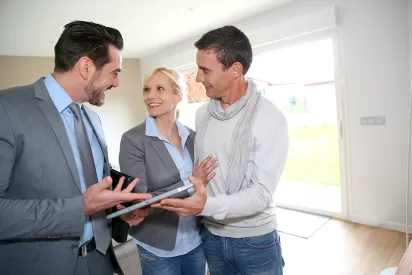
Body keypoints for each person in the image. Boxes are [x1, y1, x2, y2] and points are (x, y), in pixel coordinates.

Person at [0, 20, 152, 275]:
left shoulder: (93, 119)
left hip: (102, 259)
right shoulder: (7, 109)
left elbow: (92, 183)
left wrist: (120, 208)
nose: (116, 83)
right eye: (114, 72)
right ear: (86, 67)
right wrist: (79, 207)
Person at [154, 26, 289, 275]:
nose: (197, 78)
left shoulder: (271, 118)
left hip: (255, 241)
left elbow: (260, 195)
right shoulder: (203, 114)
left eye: (205, 70)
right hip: (211, 237)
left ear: (235, 70)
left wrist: (205, 205)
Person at [118, 66, 217, 275]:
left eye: (160, 88)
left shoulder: (193, 136)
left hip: (196, 240)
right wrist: (192, 182)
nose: (150, 96)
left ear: (178, 96)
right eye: (146, 89)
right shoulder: (133, 140)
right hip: (157, 246)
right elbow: (140, 200)